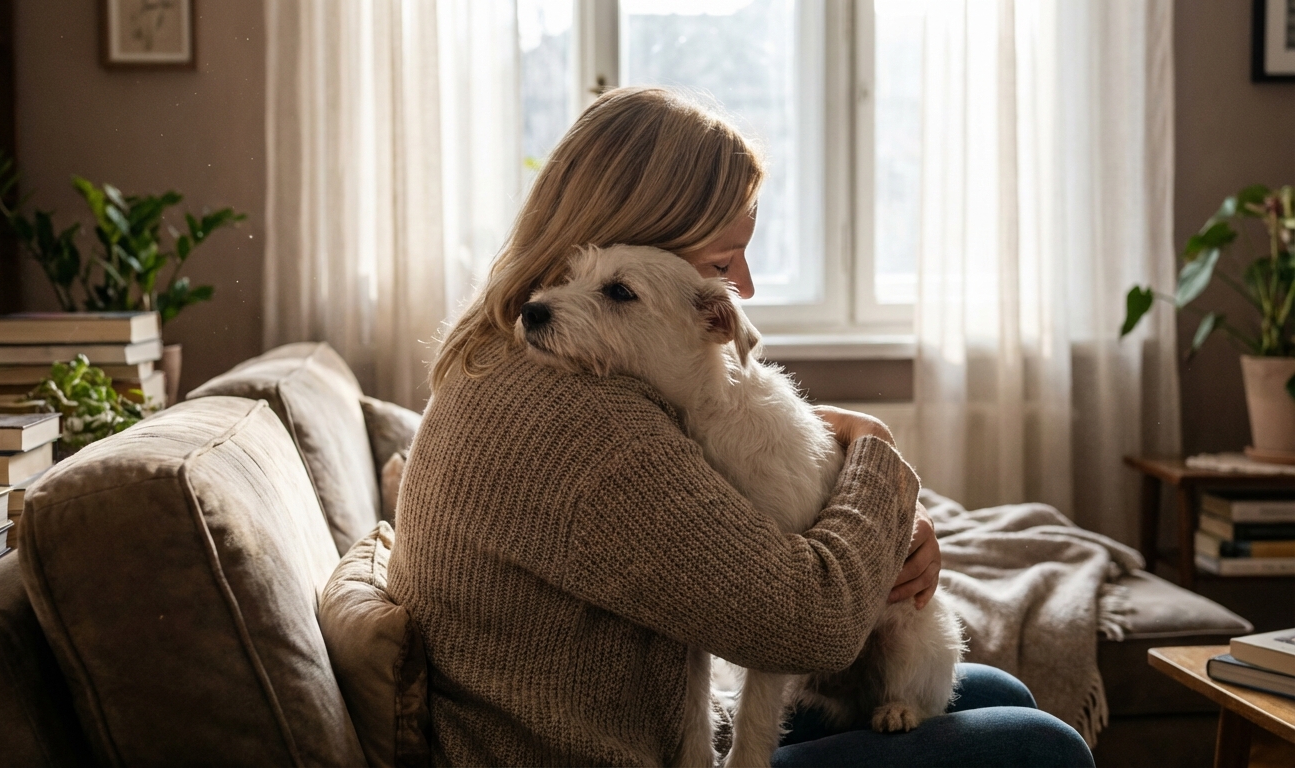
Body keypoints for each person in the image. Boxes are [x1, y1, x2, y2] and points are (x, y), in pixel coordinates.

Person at [387, 86, 1093, 768]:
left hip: (655, 725)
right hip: (614, 750)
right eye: (723, 261)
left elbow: (699, 471)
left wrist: (850, 463)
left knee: (997, 693)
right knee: (1043, 746)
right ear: (632, 247)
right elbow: (813, 625)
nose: (745, 288)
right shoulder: (583, 426)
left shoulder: (521, 360)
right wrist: (874, 450)